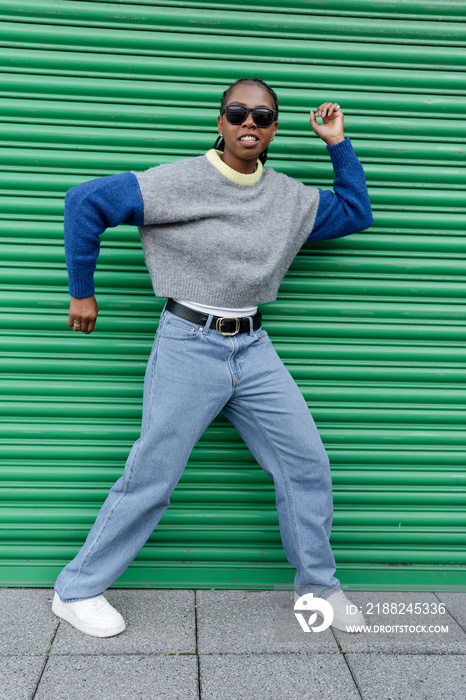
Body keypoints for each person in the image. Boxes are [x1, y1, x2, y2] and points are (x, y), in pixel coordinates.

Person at [52, 77, 373, 637]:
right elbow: (85, 201)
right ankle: (75, 589)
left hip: (253, 346)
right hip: (187, 342)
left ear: (274, 128)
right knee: (153, 475)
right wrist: (83, 290)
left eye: (263, 116)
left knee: (305, 464)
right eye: (238, 113)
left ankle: (319, 591)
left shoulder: (289, 198)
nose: (250, 123)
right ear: (220, 121)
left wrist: (336, 143)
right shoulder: (179, 181)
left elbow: (354, 212)